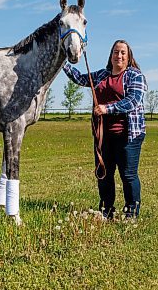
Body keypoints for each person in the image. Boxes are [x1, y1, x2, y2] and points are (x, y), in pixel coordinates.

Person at [63, 39, 147, 220]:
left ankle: (132, 213)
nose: (119, 55)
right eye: (116, 52)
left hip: (128, 135)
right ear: (111, 55)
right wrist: (62, 61)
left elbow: (133, 101)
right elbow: (81, 78)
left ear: (129, 56)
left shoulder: (135, 76)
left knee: (128, 175)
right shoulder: (103, 75)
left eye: (123, 52)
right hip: (103, 135)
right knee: (104, 174)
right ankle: (107, 210)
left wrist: (107, 108)